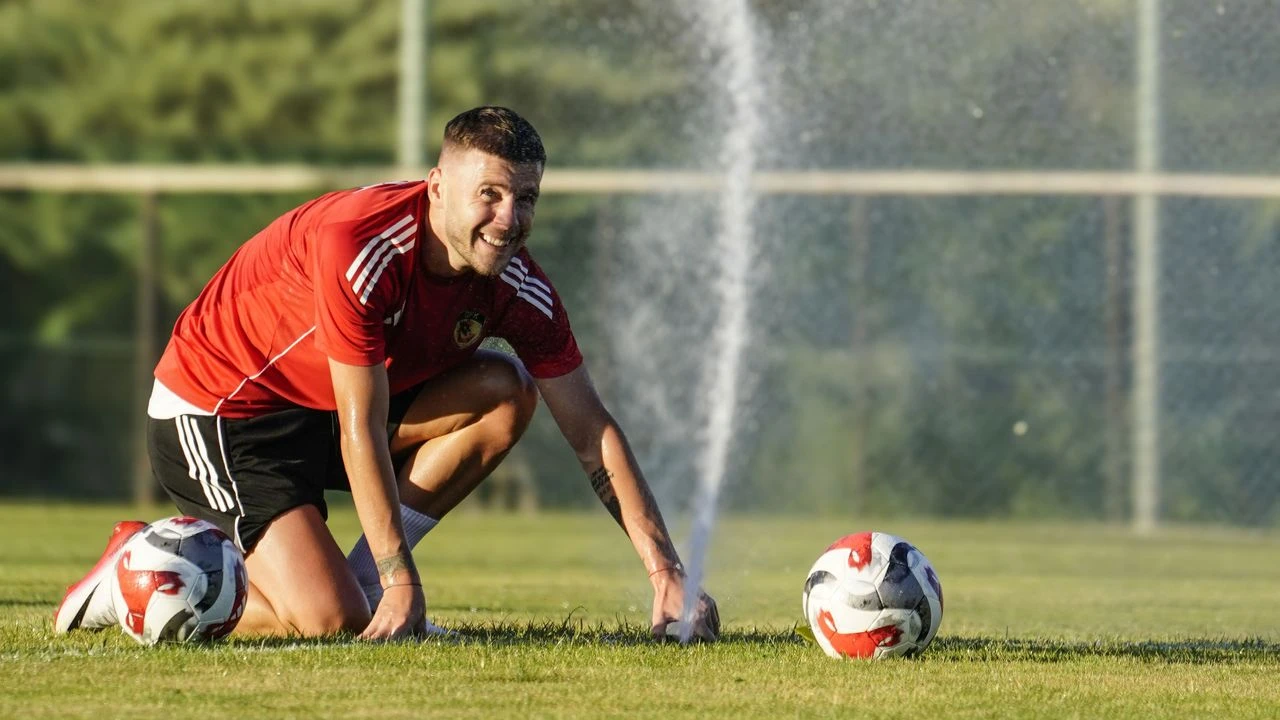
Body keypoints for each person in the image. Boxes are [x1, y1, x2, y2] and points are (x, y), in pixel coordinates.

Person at [54, 106, 719, 641]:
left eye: (525, 198)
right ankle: (141, 571)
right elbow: (361, 429)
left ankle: (366, 587)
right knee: (328, 620)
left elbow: (591, 431)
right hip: (221, 412)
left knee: (505, 392)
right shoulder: (362, 247)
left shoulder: (518, 286)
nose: (508, 219)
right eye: (488, 195)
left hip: (328, 412)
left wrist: (666, 572)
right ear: (437, 187)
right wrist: (407, 582)